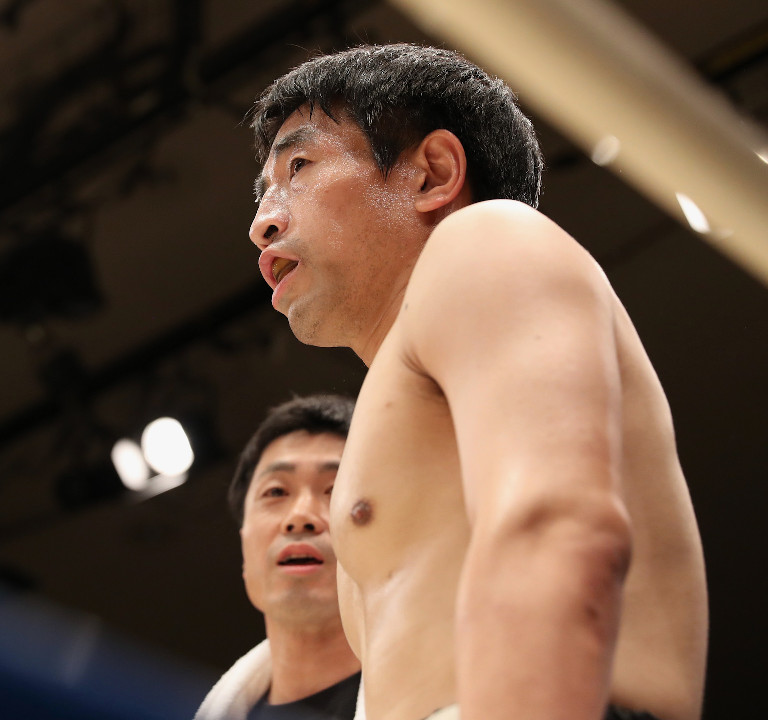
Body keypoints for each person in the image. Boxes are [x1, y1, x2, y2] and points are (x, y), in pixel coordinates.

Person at [247, 44, 707, 720]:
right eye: (264, 192)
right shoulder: (388, 410)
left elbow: (555, 523)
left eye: (299, 167)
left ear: (433, 173)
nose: (263, 222)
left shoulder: (489, 238)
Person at [195, 395, 362, 720]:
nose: (300, 516)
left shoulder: (445, 701)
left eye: (334, 488)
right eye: (275, 492)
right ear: (243, 545)